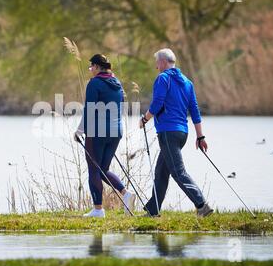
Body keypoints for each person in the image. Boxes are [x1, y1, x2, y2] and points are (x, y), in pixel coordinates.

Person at [139, 48, 213, 217]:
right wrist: (200, 136)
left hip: (168, 132)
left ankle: (202, 205)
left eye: (157, 62)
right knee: (161, 172)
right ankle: (152, 211)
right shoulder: (187, 82)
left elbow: (157, 103)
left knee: (178, 172)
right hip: (182, 134)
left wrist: (145, 119)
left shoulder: (163, 78)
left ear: (164, 62)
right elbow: (194, 110)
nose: (156, 66)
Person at [75, 54, 135, 218]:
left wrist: (79, 131)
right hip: (116, 131)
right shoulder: (117, 83)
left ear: (96, 67)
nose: (90, 70)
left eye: (91, 67)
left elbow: (89, 109)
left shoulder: (94, 83)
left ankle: (98, 209)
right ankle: (126, 193)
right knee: (103, 169)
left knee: (94, 169)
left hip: (98, 132)